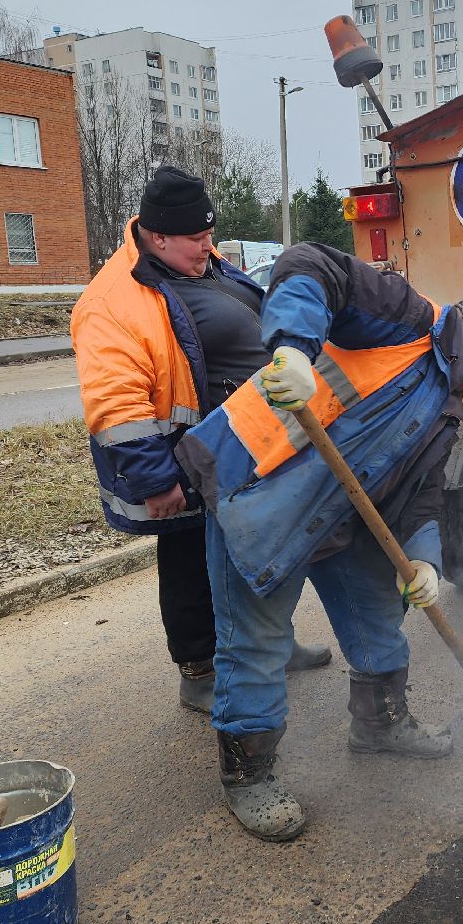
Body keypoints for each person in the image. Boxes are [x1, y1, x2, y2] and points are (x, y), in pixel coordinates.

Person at [176, 242, 463, 841]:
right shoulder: (405, 317)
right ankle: (248, 775)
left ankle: (380, 724)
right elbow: (310, 264)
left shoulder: (445, 407)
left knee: (376, 611)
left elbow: (422, 494)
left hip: (340, 509)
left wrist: (424, 556)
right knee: (256, 642)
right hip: (261, 489)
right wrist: (292, 348)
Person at [70, 167, 328, 714]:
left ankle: (269, 643)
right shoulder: (112, 300)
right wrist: (157, 479)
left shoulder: (200, 262)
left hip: (244, 450)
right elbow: (115, 404)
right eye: (197, 238)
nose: (208, 246)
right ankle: (198, 670)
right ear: (157, 237)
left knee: (253, 549)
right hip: (184, 458)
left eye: (210, 235)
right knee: (189, 560)